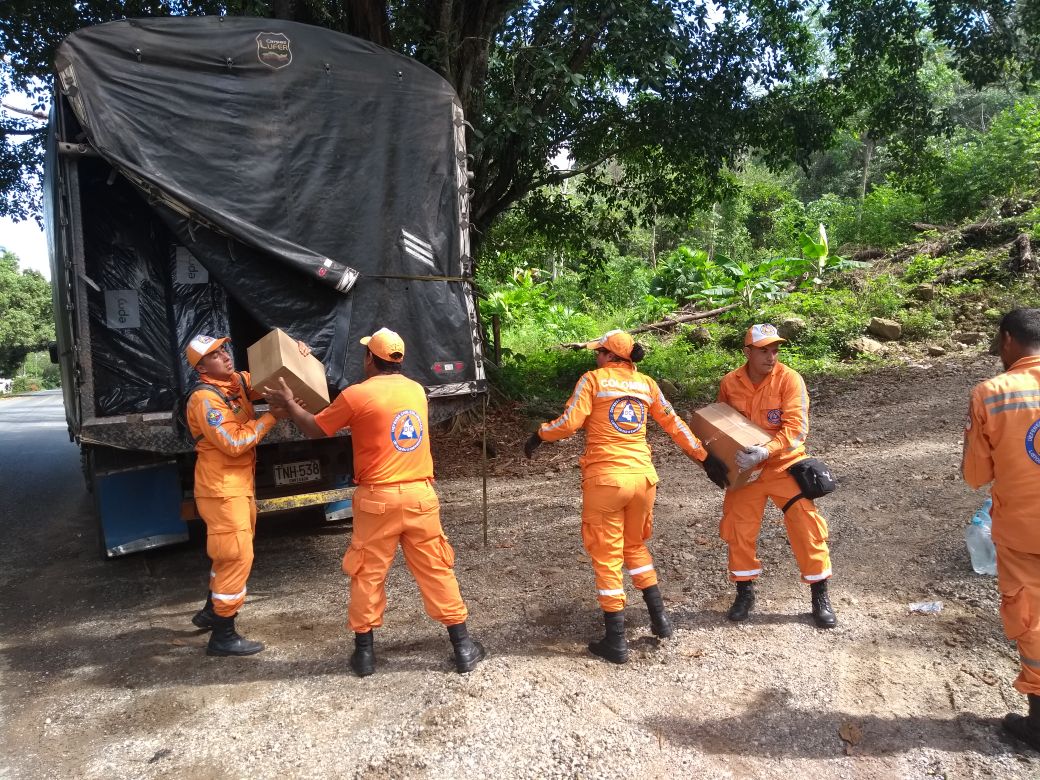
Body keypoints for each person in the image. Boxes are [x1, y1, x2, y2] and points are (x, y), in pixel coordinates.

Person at [263, 327, 486, 676]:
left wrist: (291, 404)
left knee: (367, 574)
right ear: (398, 360)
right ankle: (463, 647)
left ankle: (365, 656)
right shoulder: (417, 391)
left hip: (376, 501)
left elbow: (315, 428)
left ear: (370, 358)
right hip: (420, 498)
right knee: (436, 570)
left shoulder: (356, 395)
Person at [525, 329, 728, 664]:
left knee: (606, 555)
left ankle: (616, 640)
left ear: (608, 355)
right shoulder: (646, 384)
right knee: (634, 545)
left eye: (598, 352)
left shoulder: (592, 380)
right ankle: (660, 619)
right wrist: (704, 458)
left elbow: (570, 422)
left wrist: (539, 434)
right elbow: (674, 423)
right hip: (643, 479)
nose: (595, 357)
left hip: (606, 480)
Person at [715, 323, 837, 628]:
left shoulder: (789, 379)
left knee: (807, 525)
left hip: (784, 463)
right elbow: (721, 425)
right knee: (738, 529)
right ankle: (744, 593)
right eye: (764, 351)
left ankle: (819, 595)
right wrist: (724, 460)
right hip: (747, 470)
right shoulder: (730, 383)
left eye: (775, 350)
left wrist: (766, 451)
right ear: (748, 352)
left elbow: (796, 429)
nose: (772, 357)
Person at [184, 333, 291, 656]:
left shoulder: (237, 383)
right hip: (221, 489)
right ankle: (223, 635)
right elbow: (233, 444)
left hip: (237, 486)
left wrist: (296, 351)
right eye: (216, 355)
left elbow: (276, 376)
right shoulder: (205, 399)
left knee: (228, 553)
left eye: (225, 349)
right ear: (201, 367)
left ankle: (211, 611)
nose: (226, 356)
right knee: (236, 556)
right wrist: (272, 416)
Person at [962, 307, 1040, 751]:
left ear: (1008, 339)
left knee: (1032, 623)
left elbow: (976, 475)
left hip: (1024, 533)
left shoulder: (992, 394)